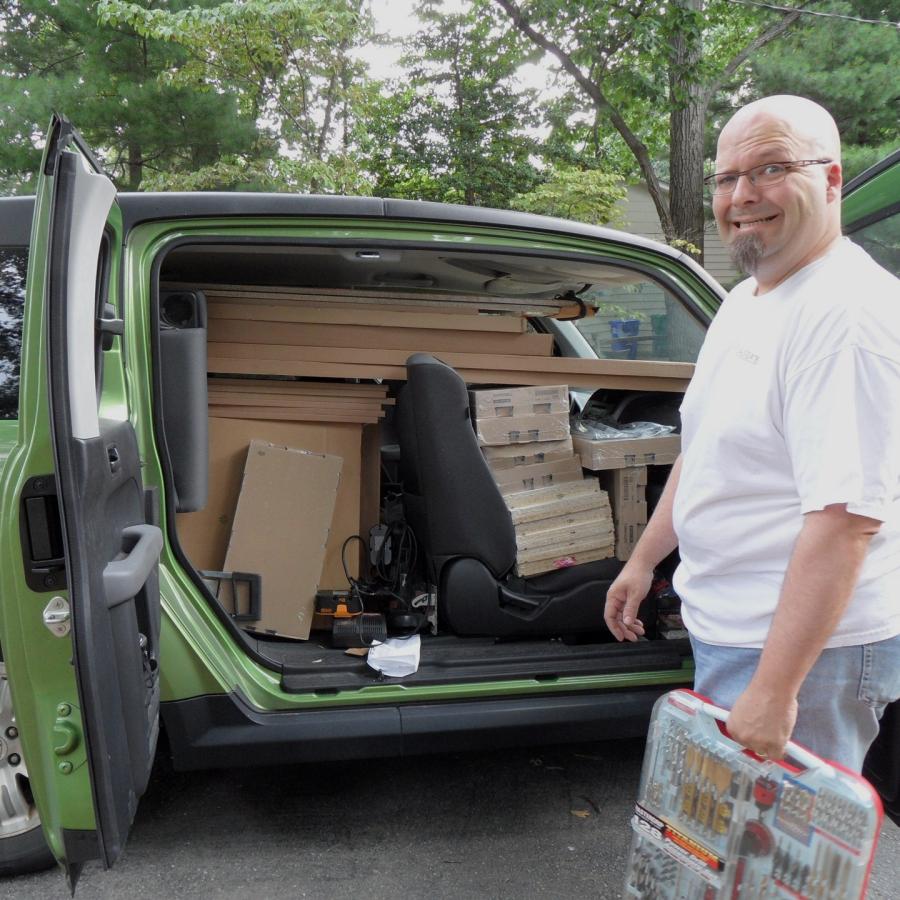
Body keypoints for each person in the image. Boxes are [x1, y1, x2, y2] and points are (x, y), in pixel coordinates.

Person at [604, 95, 900, 772]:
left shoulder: (847, 319)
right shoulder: (749, 299)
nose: (742, 195)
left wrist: (774, 689)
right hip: (736, 628)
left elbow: (844, 522)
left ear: (830, 180)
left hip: (807, 655)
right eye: (727, 178)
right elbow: (705, 449)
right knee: (740, 852)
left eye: (770, 170)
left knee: (780, 861)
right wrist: (646, 559)